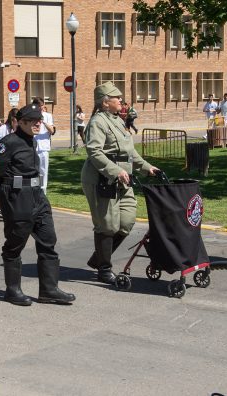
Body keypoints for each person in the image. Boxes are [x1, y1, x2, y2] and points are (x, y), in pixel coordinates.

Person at [0, 104, 75, 306]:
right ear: (21, 122)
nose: (39, 123)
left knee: (48, 240)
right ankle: (13, 291)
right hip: (17, 198)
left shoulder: (32, 140)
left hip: (38, 197)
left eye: (39, 119)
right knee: (15, 244)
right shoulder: (8, 143)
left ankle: (49, 289)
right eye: (34, 120)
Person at [81, 82, 160, 284]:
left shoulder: (117, 121)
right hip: (102, 178)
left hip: (123, 178)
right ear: (106, 102)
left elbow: (130, 153)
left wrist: (147, 167)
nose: (121, 101)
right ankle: (104, 269)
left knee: (126, 221)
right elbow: (94, 152)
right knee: (107, 225)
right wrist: (116, 171)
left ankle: (99, 258)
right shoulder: (98, 122)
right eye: (117, 98)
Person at [31, 97, 55, 192]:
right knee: (34, 171)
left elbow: (52, 130)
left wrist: (43, 121)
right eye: (40, 106)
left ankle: (43, 192)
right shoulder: (31, 116)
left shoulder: (48, 116)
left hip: (44, 148)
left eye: (42, 105)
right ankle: (34, 191)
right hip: (33, 148)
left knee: (43, 171)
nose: (42, 107)